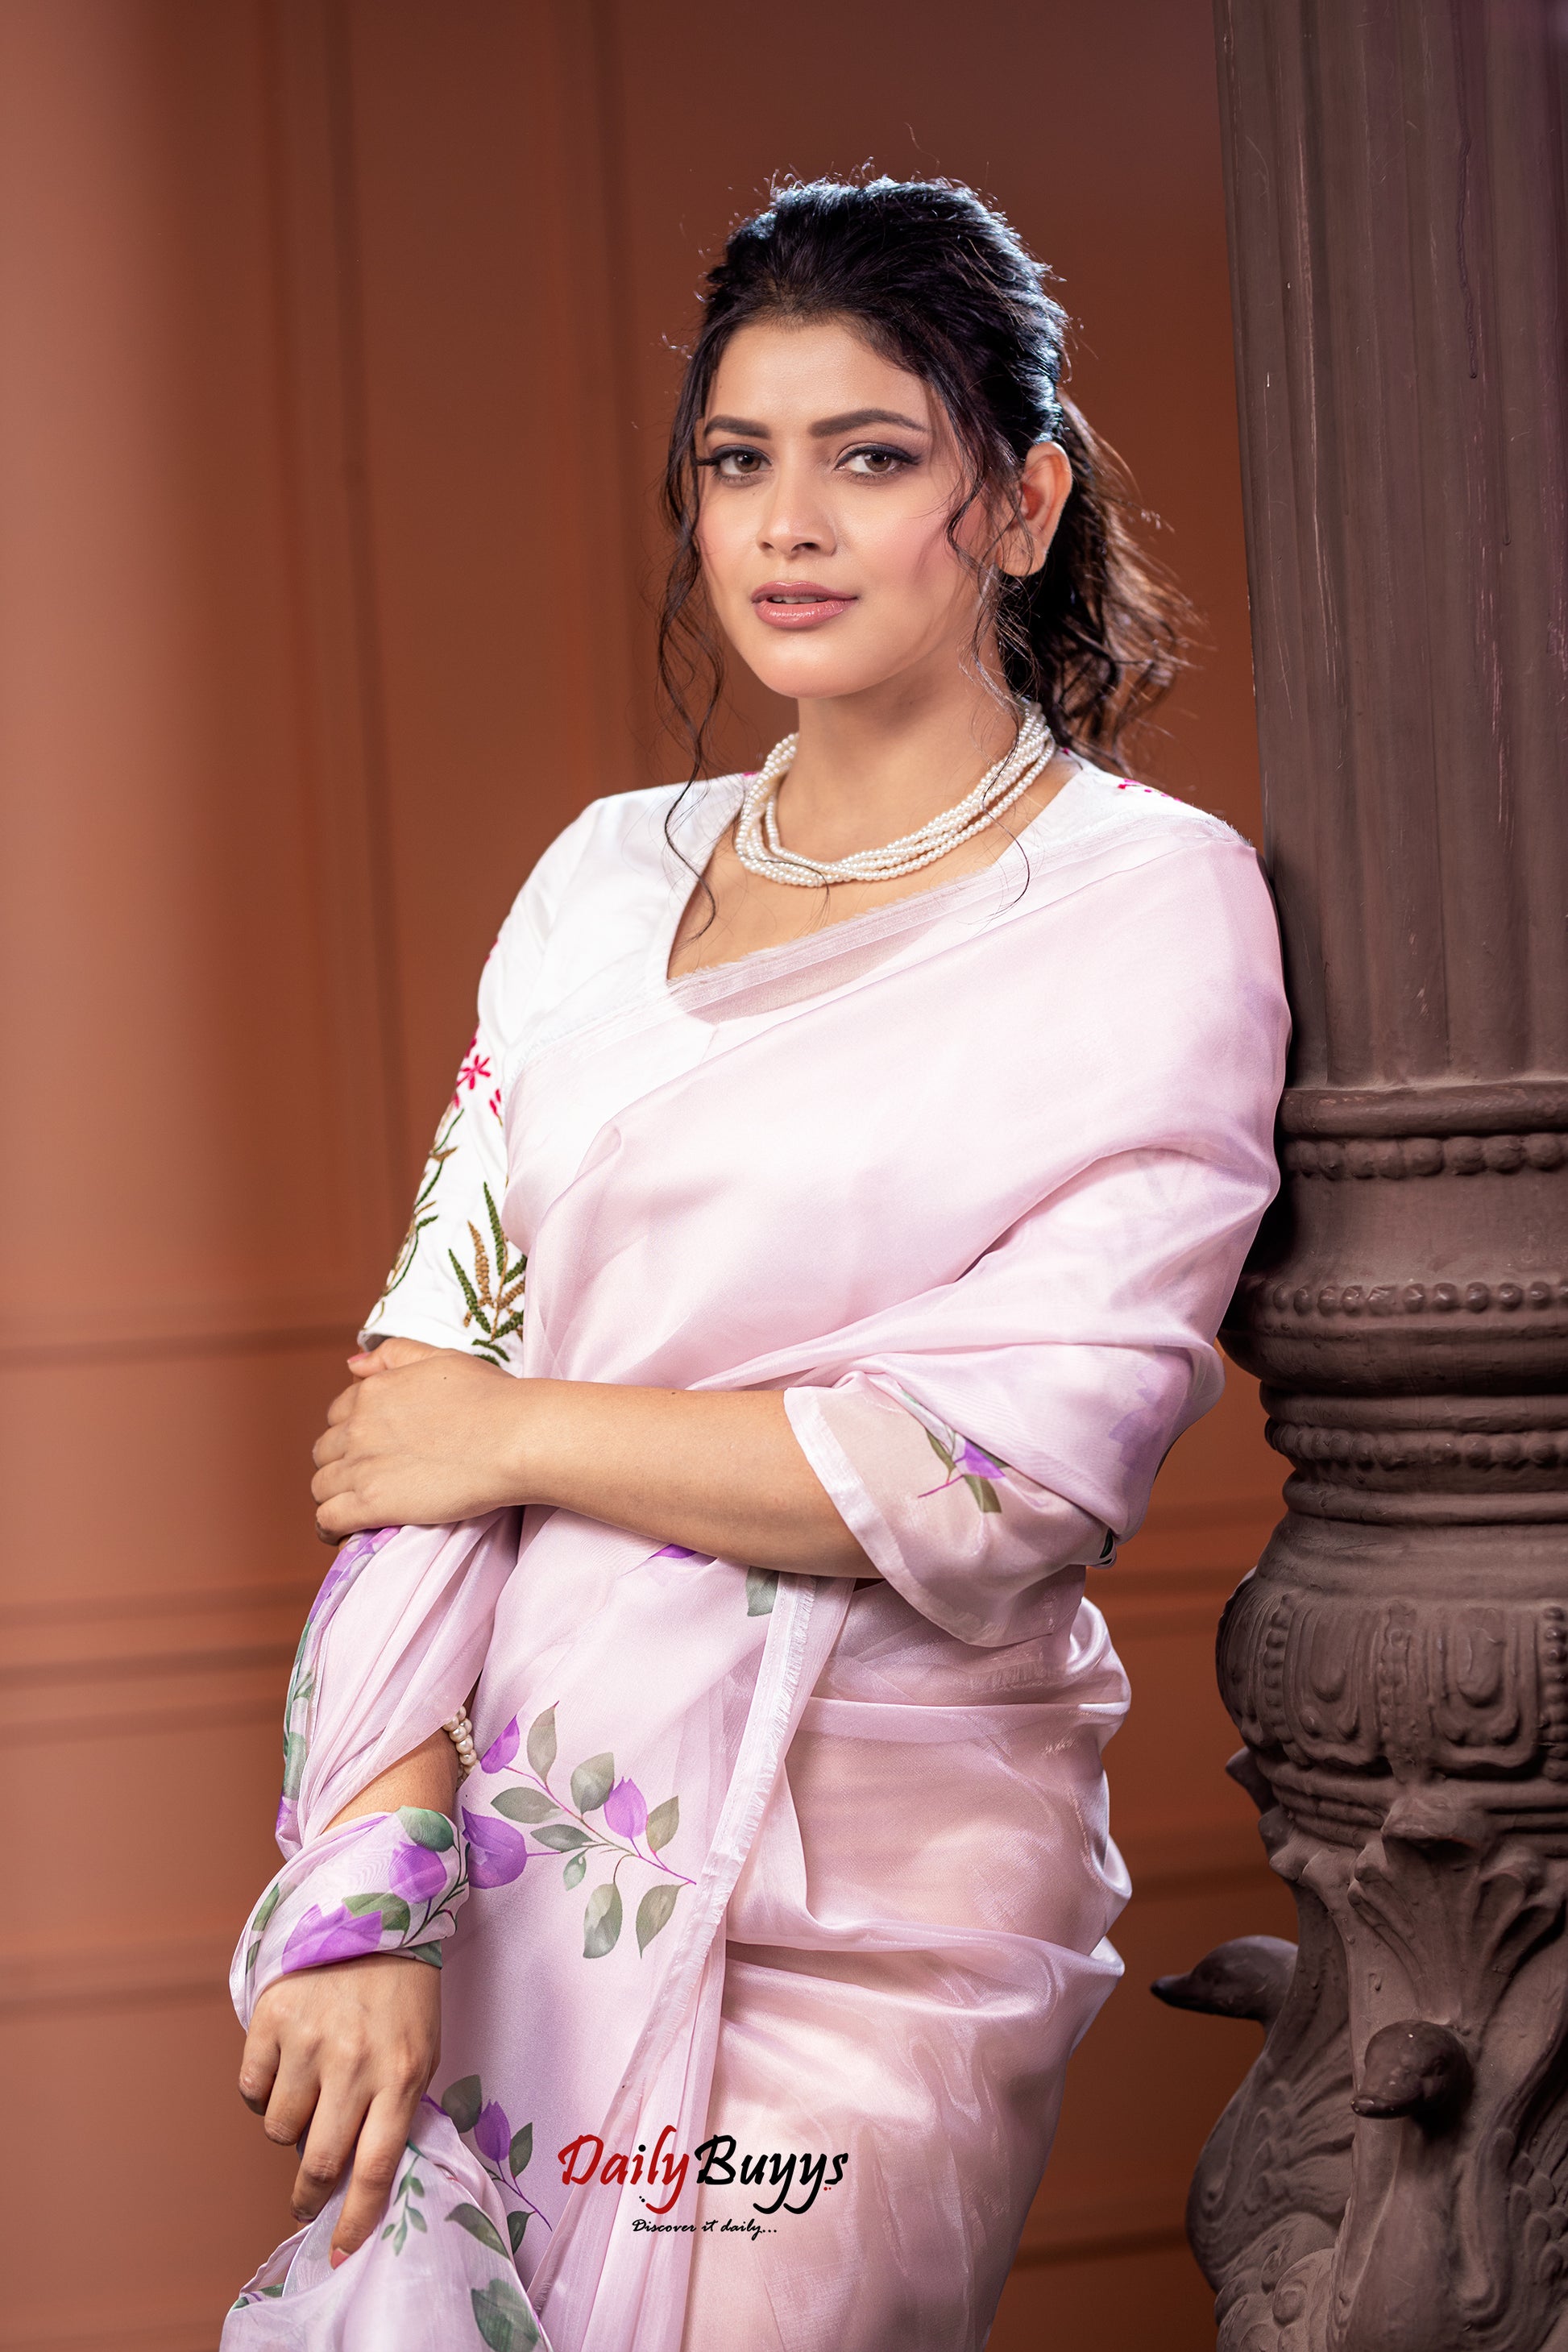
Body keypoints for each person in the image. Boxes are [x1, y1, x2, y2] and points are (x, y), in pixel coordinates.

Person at [224, 176, 1287, 2352]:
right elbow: (408, 1430)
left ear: (1020, 504)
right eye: (737, 461)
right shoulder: (605, 882)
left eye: (868, 457)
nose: (786, 525)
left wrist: (523, 1430)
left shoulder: (1144, 905)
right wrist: (373, 1895)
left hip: (872, 1889)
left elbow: (1013, 1470)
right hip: (517, 1858)